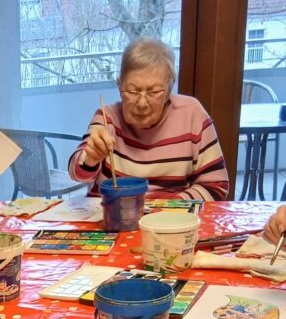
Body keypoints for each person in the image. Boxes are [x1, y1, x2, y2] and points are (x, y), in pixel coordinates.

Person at [69, 38, 229, 201]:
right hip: (114, 217)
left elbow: (216, 185)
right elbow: (77, 173)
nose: (142, 103)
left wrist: (171, 208)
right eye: (132, 91)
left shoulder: (192, 114)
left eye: (153, 92)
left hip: (171, 221)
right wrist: (91, 159)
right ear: (119, 86)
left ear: (169, 88)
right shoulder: (107, 117)